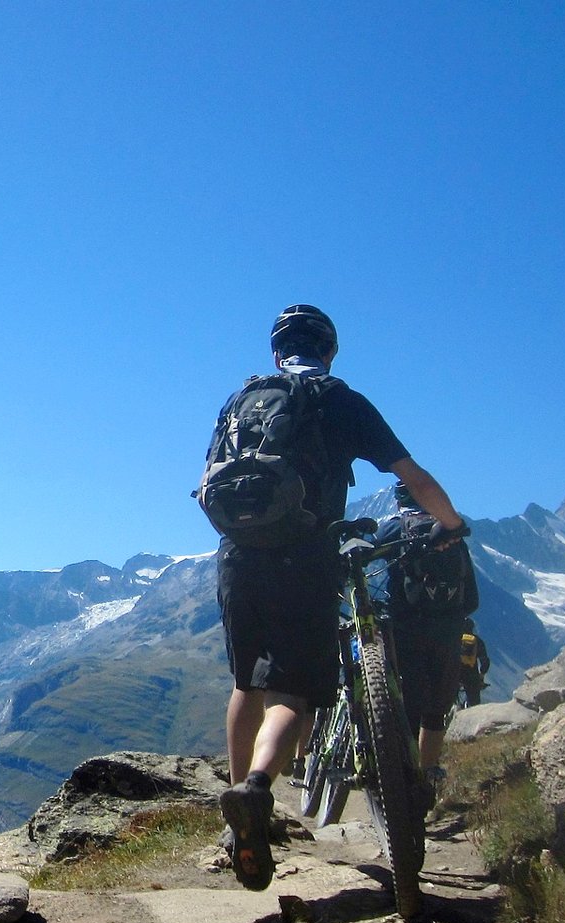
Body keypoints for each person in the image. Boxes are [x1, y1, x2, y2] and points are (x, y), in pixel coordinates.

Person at [210, 304, 466, 891]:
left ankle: (240, 813)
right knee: (291, 693)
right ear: (328, 349)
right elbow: (414, 476)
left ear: (278, 351)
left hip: (238, 558)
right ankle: (255, 790)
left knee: (245, 681)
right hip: (308, 557)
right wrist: (449, 526)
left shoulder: (240, 402)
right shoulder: (338, 399)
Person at [374, 480, 479, 805]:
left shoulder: (394, 528)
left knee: (407, 704)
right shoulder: (450, 533)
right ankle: (428, 773)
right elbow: (471, 599)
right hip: (448, 629)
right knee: (436, 707)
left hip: (406, 628)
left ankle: (401, 776)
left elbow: (367, 549)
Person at [458, 619, 491, 707]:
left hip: (454, 672)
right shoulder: (478, 641)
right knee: (474, 703)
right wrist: (481, 675)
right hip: (471, 674)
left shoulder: (455, 638)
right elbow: (485, 661)